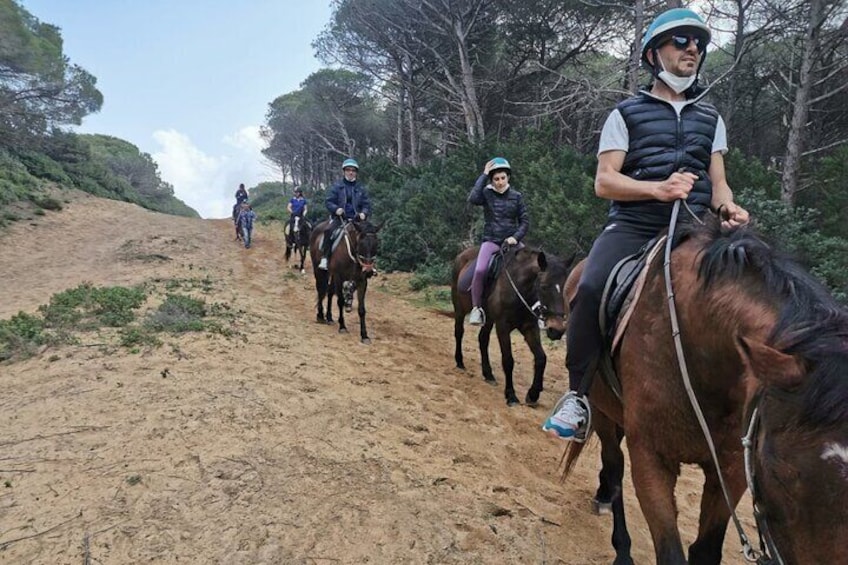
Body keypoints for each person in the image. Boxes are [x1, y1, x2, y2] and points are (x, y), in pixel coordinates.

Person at [542, 7, 749, 442]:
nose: (693, 49)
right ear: (655, 54)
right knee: (590, 288)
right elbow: (604, 181)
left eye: (698, 44)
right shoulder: (625, 114)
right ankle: (578, 397)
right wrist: (658, 189)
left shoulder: (711, 118)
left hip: (696, 229)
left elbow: (719, 186)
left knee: (756, 284)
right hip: (634, 227)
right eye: (682, 42)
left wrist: (729, 208)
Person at [467, 157, 529, 326]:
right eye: (496, 179)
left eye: (503, 178)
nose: (500, 182)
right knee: (480, 270)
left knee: (532, 268)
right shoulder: (486, 194)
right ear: (492, 180)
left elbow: (524, 222)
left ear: (508, 177)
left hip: (512, 242)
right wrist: (484, 174)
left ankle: (535, 310)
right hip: (491, 241)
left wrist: (515, 237)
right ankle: (476, 309)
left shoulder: (517, 197)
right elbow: (473, 198)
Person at [318, 158, 371, 270]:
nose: (351, 172)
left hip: (357, 220)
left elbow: (366, 204)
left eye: (353, 170)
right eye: (348, 170)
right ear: (344, 171)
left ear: (356, 172)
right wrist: (336, 209)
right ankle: (325, 258)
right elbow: (329, 201)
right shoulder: (337, 186)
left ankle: (369, 263)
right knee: (328, 231)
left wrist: (364, 213)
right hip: (340, 218)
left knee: (370, 236)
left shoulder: (361, 188)